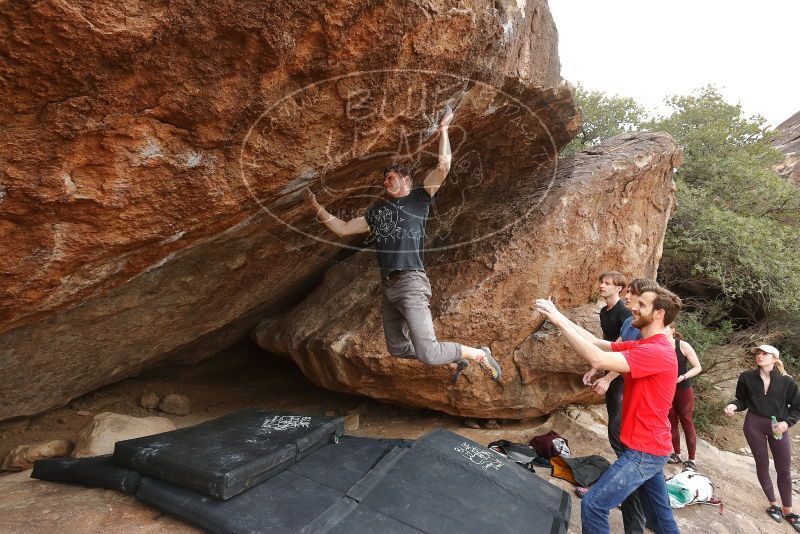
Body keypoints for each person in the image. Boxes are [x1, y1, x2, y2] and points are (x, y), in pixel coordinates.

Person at [300, 105, 501, 383]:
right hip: (389, 288)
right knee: (397, 349)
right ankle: (456, 356)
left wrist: (443, 129)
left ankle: (478, 354)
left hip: (411, 282)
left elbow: (443, 166)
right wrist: (315, 206)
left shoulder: (419, 199)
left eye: (390, 177)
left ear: (405, 180)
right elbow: (342, 228)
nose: (385, 181)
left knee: (428, 353)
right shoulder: (377, 213)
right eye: (384, 179)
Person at [535, 286, 682, 534]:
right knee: (659, 518)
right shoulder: (646, 345)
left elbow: (598, 360)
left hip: (645, 451)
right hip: (650, 447)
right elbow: (596, 344)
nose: (633, 307)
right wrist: (559, 318)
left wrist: (559, 320)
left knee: (594, 505)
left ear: (659, 314)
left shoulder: (656, 352)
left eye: (642, 305)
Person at [582, 277, 658, 534]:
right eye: (600, 281)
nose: (628, 297)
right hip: (615, 378)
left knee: (623, 447)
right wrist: (597, 367)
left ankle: (634, 520)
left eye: (634, 294)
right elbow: (613, 347)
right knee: (620, 444)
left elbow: (630, 358)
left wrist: (607, 376)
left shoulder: (634, 319)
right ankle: (638, 510)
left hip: (624, 383)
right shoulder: (616, 316)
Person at [724, 344, 800, 531]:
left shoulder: (787, 381)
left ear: (774, 358)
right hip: (754, 424)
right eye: (758, 353)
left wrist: (786, 423)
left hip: (777, 426)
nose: (760, 356)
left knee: (783, 468)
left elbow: (797, 408)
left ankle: (788, 510)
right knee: (762, 463)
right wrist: (733, 406)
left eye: (765, 353)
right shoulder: (747, 377)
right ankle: (773, 504)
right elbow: (742, 400)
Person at [665, 326, 701, 470]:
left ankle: (692, 459)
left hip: (683, 388)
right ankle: (676, 453)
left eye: (666, 327)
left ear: (673, 329)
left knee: (686, 420)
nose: (663, 330)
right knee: (671, 420)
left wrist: (684, 376)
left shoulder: (682, 345)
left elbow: (697, 367)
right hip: (667, 389)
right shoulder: (659, 346)